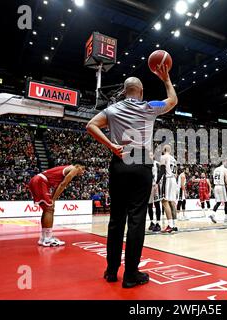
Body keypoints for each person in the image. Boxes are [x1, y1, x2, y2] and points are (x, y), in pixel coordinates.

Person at [86, 64, 177, 288]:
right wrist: (165, 79)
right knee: (137, 219)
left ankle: (110, 271)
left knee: (116, 219)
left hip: (119, 160)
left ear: (125, 91)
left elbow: (90, 125)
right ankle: (131, 275)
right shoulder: (149, 106)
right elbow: (172, 100)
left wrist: (110, 145)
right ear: (142, 91)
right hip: (141, 162)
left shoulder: (113, 109)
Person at [28, 164, 85, 247]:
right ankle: (48, 239)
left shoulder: (65, 169)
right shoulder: (75, 169)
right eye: (82, 169)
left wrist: (53, 199)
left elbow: (58, 186)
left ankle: (43, 238)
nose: (83, 172)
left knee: (47, 209)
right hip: (41, 181)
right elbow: (63, 184)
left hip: (36, 180)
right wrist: (53, 200)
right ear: (78, 166)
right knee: (49, 209)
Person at [157, 145, 178, 233]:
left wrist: (156, 182)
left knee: (164, 201)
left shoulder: (163, 157)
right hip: (173, 180)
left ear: (165, 149)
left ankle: (170, 225)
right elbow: (176, 173)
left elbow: (162, 171)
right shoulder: (174, 159)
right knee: (172, 202)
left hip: (168, 179)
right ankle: (174, 225)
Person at [209, 159, 227, 224]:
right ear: (224, 162)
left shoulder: (215, 169)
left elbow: (213, 178)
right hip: (221, 186)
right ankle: (226, 218)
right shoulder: (225, 169)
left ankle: (212, 214)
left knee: (218, 202)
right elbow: (226, 179)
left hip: (216, 186)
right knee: (226, 202)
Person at [147, 152, 162, 232]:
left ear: (153, 156)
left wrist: (158, 183)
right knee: (149, 205)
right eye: (149, 155)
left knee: (157, 204)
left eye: (151, 155)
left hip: (155, 186)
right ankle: (152, 222)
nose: (150, 156)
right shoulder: (146, 164)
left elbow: (161, 173)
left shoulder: (157, 164)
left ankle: (158, 223)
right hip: (148, 187)